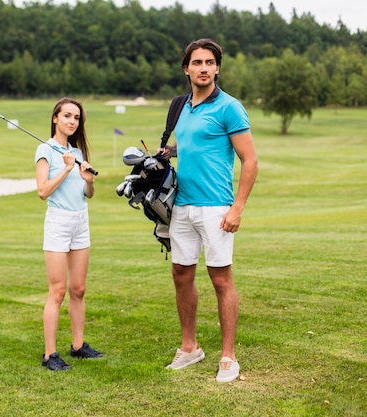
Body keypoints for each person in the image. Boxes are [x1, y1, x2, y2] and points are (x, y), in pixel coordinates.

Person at [159, 39, 258, 382]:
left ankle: (228, 357)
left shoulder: (230, 107)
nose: (203, 68)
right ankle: (190, 348)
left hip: (217, 208)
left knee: (221, 279)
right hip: (182, 206)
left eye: (210, 62)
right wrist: (165, 154)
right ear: (186, 68)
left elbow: (250, 160)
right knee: (181, 275)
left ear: (217, 68)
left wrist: (237, 208)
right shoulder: (179, 107)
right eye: (197, 62)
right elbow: (187, 145)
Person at [35, 97, 103, 371]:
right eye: (67, 116)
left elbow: (87, 194)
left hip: (80, 220)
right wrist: (66, 167)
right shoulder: (45, 150)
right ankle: (50, 354)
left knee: (78, 288)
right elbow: (42, 191)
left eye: (76, 117)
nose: (72, 121)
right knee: (58, 290)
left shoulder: (78, 152)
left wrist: (89, 181)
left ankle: (77, 346)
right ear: (55, 118)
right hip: (58, 221)